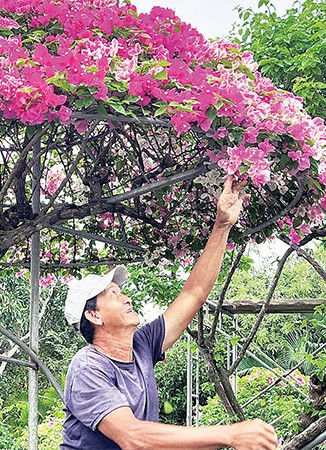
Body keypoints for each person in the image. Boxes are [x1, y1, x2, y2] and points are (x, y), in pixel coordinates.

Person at [61, 176, 279, 450]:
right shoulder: (88, 368)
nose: (126, 298)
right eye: (113, 294)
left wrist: (222, 225)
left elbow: (194, 293)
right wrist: (229, 435)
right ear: (94, 316)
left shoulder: (141, 346)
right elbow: (133, 437)